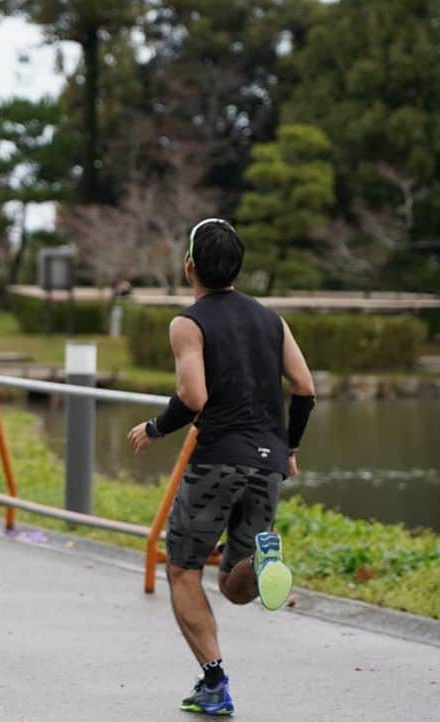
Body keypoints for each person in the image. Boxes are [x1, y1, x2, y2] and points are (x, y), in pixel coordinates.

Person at [127, 218, 316, 716]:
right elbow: (304, 385)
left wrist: (154, 427)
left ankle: (214, 683)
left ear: (190, 265)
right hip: (268, 465)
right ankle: (262, 563)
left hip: (217, 462)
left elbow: (194, 396)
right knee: (234, 581)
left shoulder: (188, 323)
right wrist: (289, 448)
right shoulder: (272, 320)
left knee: (183, 570)